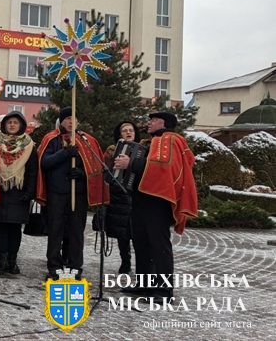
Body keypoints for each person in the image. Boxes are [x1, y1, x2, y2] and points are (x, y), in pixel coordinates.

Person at [113, 111, 198, 302]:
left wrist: (131, 162)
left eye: (153, 120)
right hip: (141, 198)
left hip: (158, 201)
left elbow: (164, 168)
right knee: (141, 243)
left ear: (164, 123)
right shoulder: (150, 142)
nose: (149, 122)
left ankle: (164, 291)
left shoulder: (172, 140)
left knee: (159, 245)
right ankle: (145, 284)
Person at [36, 107, 106, 280]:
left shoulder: (86, 140)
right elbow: (44, 162)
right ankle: (55, 266)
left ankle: (75, 266)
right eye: (67, 119)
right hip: (57, 193)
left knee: (76, 231)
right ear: (61, 122)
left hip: (78, 193)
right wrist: (64, 153)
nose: (70, 122)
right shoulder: (51, 139)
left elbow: (95, 166)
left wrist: (81, 173)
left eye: (73, 118)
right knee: (55, 230)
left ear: (78, 122)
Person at [0, 111, 37, 275]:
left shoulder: (29, 145)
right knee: (0, 227)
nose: (12, 125)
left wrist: (30, 192)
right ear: (4, 125)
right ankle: (1, 261)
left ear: (22, 125)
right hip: (0, 189)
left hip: (19, 190)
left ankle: (12, 261)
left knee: (15, 229)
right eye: (9, 122)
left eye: (16, 122)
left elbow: (32, 171)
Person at [99, 121, 139, 275]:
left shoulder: (142, 150)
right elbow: (105, 172)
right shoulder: (111, 150)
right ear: (119, 134)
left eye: (131, 130)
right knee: (122, 233)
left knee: (137, 232)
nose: (128, 133)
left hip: (136, 195)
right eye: (125, 130)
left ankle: (143, 264)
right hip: (118, 195)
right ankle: (125, 261)